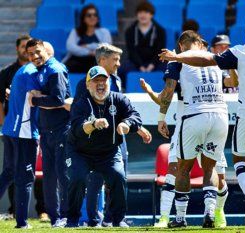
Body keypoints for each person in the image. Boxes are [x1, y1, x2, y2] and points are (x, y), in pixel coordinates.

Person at [159, 13, 245, 228]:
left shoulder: (239, 51)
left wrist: (177, 57)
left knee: (232, 162)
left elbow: (205, 61)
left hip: (237, 113)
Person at [140, 38, 230, 229]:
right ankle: (209, 213)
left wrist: (160, 118)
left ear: (181, 45)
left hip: (192, 118)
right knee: (211, 169)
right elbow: (232, 81)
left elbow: (167, 93)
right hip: (220, 115)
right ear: (199, 43)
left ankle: (181, 218)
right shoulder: (214, 59)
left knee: (182, 168)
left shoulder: (178, 60)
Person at [73, 43, 151, 227]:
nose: (118, 63)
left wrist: (136, 127)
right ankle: (92, 218)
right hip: (94, 142)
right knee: (94, 180)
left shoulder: (115, 79)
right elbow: (78, 111)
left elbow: (123, 110)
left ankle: (112, 217)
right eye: (115, 59)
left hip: (116, 139)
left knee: (118, 177)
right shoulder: (86, 83)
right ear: (102, 60)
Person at [26, 38, 71, 227]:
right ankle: (55, 218)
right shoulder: (42, 70)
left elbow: (59, 100)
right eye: (30, 54)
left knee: (63, 174)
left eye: (38, 52)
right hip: (47, 131)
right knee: (49, 177)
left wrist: (35, 100)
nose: (35, 56)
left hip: (61, 130)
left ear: (46, 50)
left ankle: (68, 216)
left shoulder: (55, 70)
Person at [0, 35, 31, 220]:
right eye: (23, 46)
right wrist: (4, 124)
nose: (26, 49)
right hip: (12, 128)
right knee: (12, 170)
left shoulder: (37, 71)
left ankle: (42, 209)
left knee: (31, 171)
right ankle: (13, 210)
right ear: (17, 49)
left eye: (30, 46)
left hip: (32, 127)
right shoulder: (6, 72)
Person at [119, 1, 166, 85]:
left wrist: (152, 65)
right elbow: (132, 51)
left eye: (146, 12)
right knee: (122, 69)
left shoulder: (160, 31)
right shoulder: (129, 31)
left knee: (168, 69)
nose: (143, 15)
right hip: (135, 63)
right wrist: (140, 66)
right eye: (140, 12)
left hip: (155, 62)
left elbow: (160, 51)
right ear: (137, 14)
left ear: (151, 15)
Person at [63, 4, 112, 73]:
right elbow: (70, 47)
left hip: (95, 62)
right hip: (77, 61)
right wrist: (89, 52)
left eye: (95, 15)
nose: (92, 17)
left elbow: (106, 48)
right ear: (83, 19)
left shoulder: (104, 32)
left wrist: (87, 46)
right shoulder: (75, 32)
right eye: (89, 15)